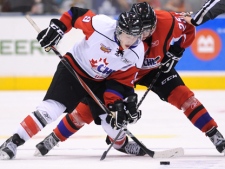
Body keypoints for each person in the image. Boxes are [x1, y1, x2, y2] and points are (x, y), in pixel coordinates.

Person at [34, 2, 225, 157]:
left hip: (154, 69)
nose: (139, 36)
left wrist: (176, 52)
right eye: (136, 31)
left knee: (185, 97)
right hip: (122, 73)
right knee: (92, 108)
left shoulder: (168, 21)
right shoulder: (123, 32)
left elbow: (189, 28)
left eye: (146, 31)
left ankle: (214, 134)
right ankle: (55, 138)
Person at [0, 7, 145, 160]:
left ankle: (121, 144)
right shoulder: (101, 25)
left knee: (112, 123)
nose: (131, 40)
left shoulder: (137, 52)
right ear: (118, 30)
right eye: (127, 35)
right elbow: (76, 14)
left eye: (136, 36)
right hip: (74, 68)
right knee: (49, 111)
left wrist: (115, 103)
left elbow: (121, 80)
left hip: (101, 81)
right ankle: (13, 142)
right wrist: (58, 29)